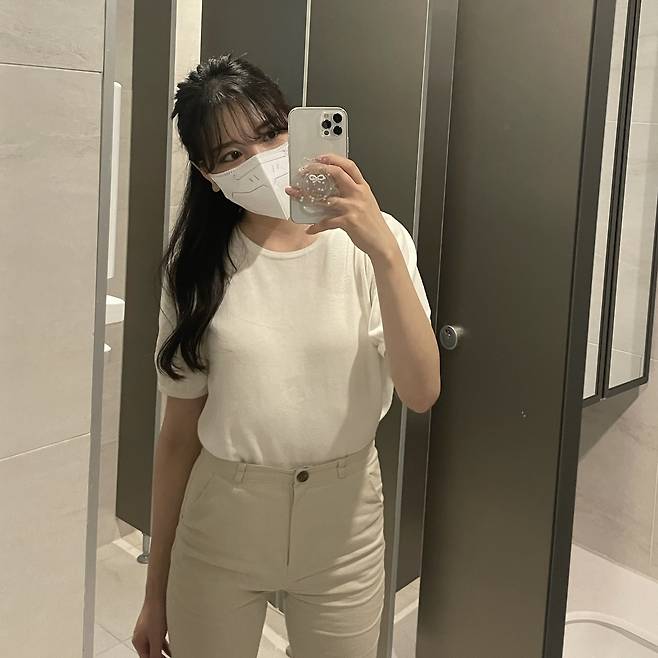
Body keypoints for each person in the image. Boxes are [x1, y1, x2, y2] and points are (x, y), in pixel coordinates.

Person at [132, 53, 441, 658]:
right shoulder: (196, 269)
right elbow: (178, 436)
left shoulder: (378, 243)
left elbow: (422, 391)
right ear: (208, 175)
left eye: (271, 134)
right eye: (231, 154)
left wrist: (381, 250)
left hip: (344, 527)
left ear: (298, 128)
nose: (259, 160)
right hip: (222, 519)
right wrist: (155, 588)